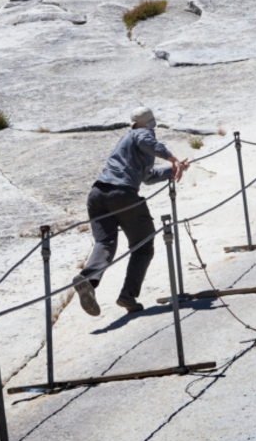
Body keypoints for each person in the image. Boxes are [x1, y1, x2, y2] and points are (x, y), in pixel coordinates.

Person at [73, 106, 190, 316]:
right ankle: (128, 295)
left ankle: (88, 280)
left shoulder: (127, 141)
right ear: (150, 124)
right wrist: (174, 159)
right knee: (143, 246)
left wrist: (171, 171)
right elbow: (148, 141)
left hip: (97, 194)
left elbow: (146, 177)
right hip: (122, 195)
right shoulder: (141, 134)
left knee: (105, 243)